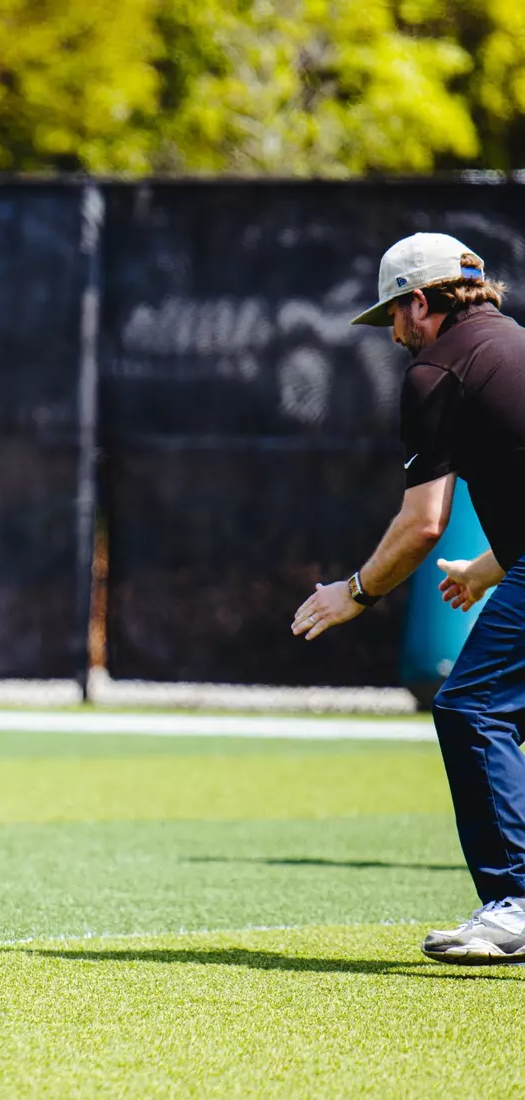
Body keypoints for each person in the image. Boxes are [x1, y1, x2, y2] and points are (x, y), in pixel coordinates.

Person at [291, 232, 524, 964]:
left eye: (392, 314)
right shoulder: (514, 345)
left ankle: (514, 902)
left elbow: (422, 524)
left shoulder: (437, 370)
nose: (392, 332)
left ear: (420, 302)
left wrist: (354, 593)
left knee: (472, 705)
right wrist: (491, 565)